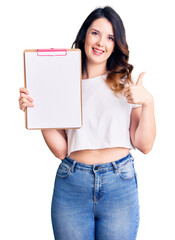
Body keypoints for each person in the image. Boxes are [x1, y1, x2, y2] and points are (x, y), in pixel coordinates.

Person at [18, 6, 156, 240]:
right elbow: (61, 150)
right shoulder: (62, 82)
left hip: (119, 183)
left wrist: (148, 102)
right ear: (84, 36)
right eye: (95, 33)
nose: (101, 42)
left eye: (110, 37)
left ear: (115, 44)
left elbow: (144, 145)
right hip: (72, 183)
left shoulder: (125, 83)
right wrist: (37, 110)